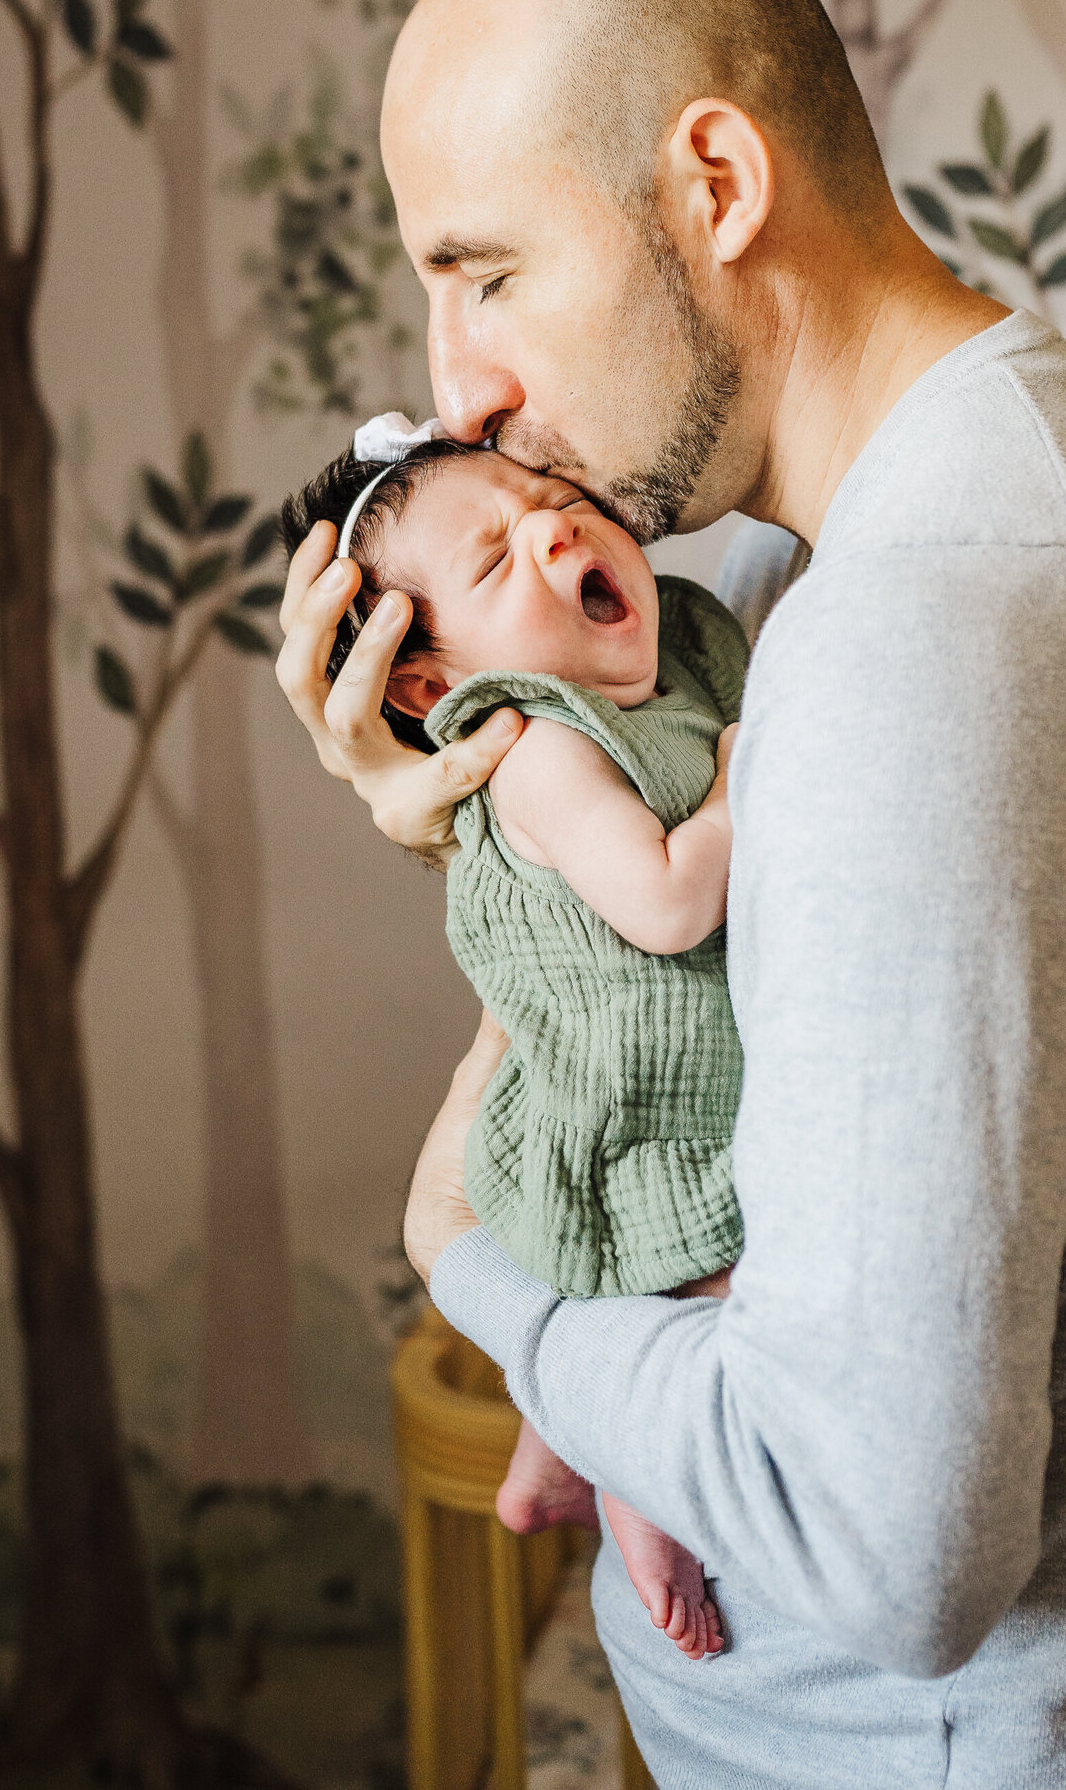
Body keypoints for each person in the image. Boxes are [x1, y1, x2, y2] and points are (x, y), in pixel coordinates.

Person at [278, 0, 1066, 1790]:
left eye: (489, 271)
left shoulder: (917, 641)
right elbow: (733, 1025)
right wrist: (475, 815)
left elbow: (884, 1545)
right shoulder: (959, 482)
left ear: (714, 185)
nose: (461, 393)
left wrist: (476, 1271)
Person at [281, 428, 747, 1658]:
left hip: (651, 1083)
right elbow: (662, 904)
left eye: (554, 498)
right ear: (431, 689)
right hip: (634, 1119)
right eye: (494, 561)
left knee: (633, 1282)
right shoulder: (534, 742)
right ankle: (636, 1493)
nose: (554, 528)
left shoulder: (679, 670)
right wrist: (739, 789)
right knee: (693, 1302)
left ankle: (544, 1460)